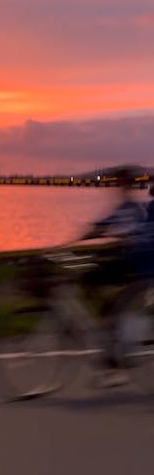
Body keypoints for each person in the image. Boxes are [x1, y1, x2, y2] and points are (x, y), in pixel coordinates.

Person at [80, 166, 147, 387]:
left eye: (122, 183)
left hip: (137, 267)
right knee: (89, 280)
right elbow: (103, 225)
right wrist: (81, 237)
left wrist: (112, 234)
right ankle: (109, 321)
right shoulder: (125, 207)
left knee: (96, 285)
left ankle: (114, 368)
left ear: (128, 185)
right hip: (130, 264)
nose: (118, 188)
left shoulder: (135, 208)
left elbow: (129, 231)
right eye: (117, 183)